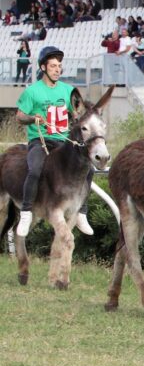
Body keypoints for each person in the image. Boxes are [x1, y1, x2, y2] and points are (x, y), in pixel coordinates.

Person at [15, 46, 94, 237]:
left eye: (59, 66)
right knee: (35, 169)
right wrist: (33, 118)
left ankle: (82, 212)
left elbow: (77, 112)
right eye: (53, 66)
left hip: (63, 141)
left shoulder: (68, 90)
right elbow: (19, 117)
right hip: (39, 140)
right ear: (43, 67)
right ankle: (26, 212)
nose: (57, 69)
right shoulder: (32, 91)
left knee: (89, 169)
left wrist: (77, 116)